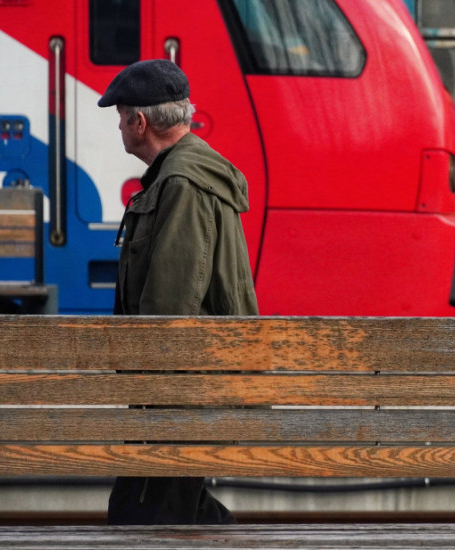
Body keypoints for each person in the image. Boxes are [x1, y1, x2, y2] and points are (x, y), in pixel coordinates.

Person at [98, 59, 258, 525]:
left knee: (142, 515)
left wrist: (154, 395)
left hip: (183, 392)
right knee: (165, 512)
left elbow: (172, 304)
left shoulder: (182, 183)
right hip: (186, 387)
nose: (119, 126)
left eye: (120, 116)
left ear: (139, 122)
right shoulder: (182, 173)